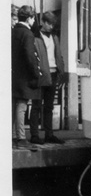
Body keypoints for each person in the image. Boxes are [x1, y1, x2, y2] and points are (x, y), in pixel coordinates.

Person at [29, 12, 65, 144]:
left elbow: (58, 54)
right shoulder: (35, 37)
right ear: (43, 22)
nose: (51, 26)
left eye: (52, 24)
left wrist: (62, 70)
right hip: (41, 74)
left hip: (54, 73)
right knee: (36, 105)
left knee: (49, 106)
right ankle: (34, 135)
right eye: (49, 23)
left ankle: (49, 134)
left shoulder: (54, 37)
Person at [11, 5, 41, 151]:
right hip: (24, 76)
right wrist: (35, 73)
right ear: (29, 18)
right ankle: (21, 137)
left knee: (13, 105)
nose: (33, 20)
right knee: (22, 106)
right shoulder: (27, 34)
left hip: (14, 75)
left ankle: (11, 136)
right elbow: (30, 56)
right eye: (33, 18)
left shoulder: (13, 31)